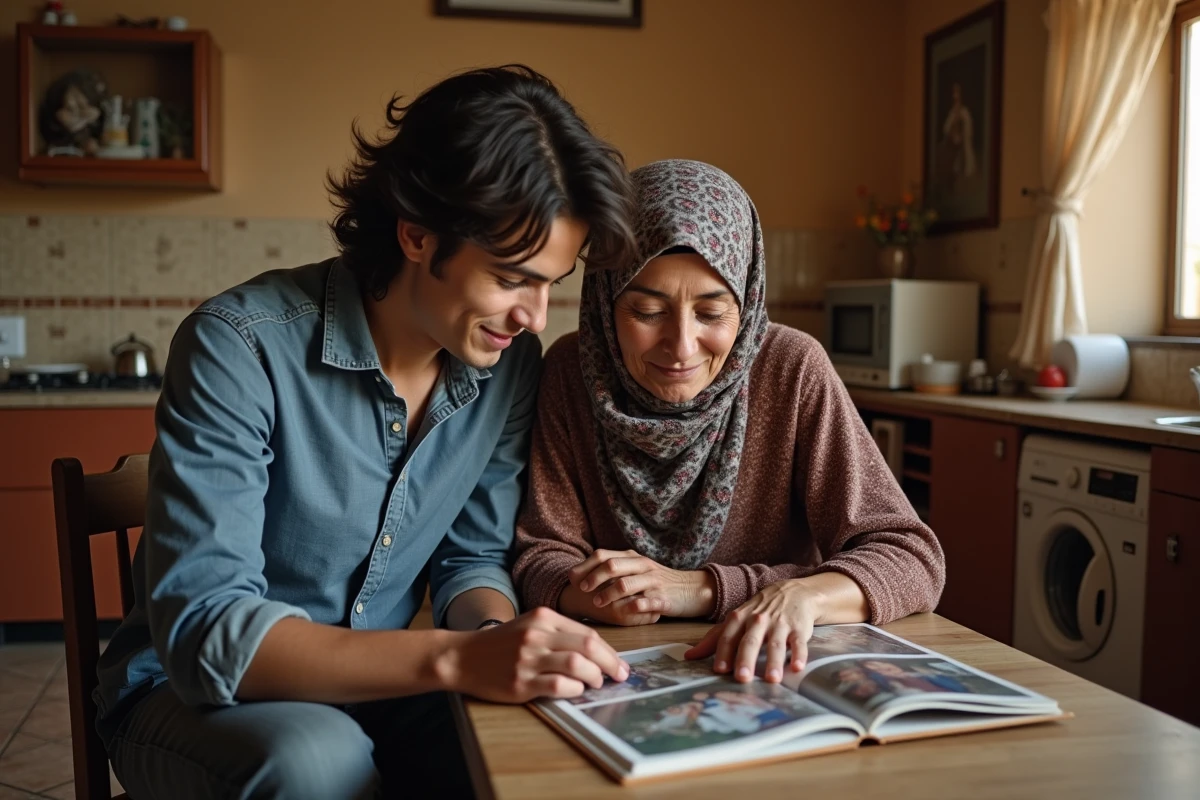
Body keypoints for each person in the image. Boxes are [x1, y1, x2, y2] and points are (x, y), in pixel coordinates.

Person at [93, 65, 638, 800]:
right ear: (417, 235)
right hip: (187, 698)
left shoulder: (509, 368)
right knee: (317, 763)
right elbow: (208, 634)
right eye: (512, 278)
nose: (535, 316)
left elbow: (471, 559)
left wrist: (491, 644)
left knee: (551, 742)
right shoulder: (238, 346)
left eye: (551, 283)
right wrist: (452, 663)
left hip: (381, 687)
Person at [512, 159, 945, 691]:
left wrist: (737, 592)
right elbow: (539, 554)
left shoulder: (791, 368)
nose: (682, 346)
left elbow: (911, 558)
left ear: (748, 300)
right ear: (604, 303)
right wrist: (600, 593)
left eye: (713, 314)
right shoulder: (568, 371)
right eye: (647, 312)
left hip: (774, 672)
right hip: (611, 673)